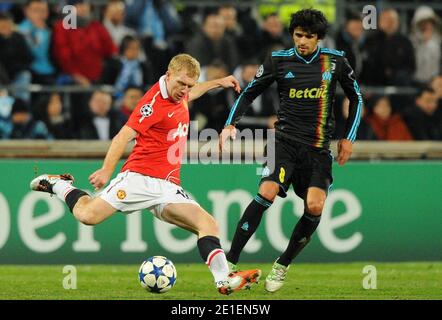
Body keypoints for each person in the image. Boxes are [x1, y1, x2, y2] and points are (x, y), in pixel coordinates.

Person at [30, 54, 261, 295]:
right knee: (88, 216)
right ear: (168, 75)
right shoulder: (153, 103)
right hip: (139, 178)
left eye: (189, 85)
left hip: (168, 185)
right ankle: (59, 185)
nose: (184, 90)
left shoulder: (180, 93)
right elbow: (122, 136)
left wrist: (218, 82)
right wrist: (106, 170)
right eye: (181, 83)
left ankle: (223, 279)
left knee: (208, 224)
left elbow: (191, 94)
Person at [219, 9, 363, 292]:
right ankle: (229, 264)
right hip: (282, 142)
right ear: (292, 35)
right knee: (266, 192)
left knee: (315, 206)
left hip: (318, 149)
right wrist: (229, 124)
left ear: (319, 38)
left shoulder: (335, 61)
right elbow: (249, 92)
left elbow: (356, 97)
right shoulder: (278, 60)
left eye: (309, 36)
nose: (302, 41)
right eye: (298, 35)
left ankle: (282, 264)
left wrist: (349, 137)